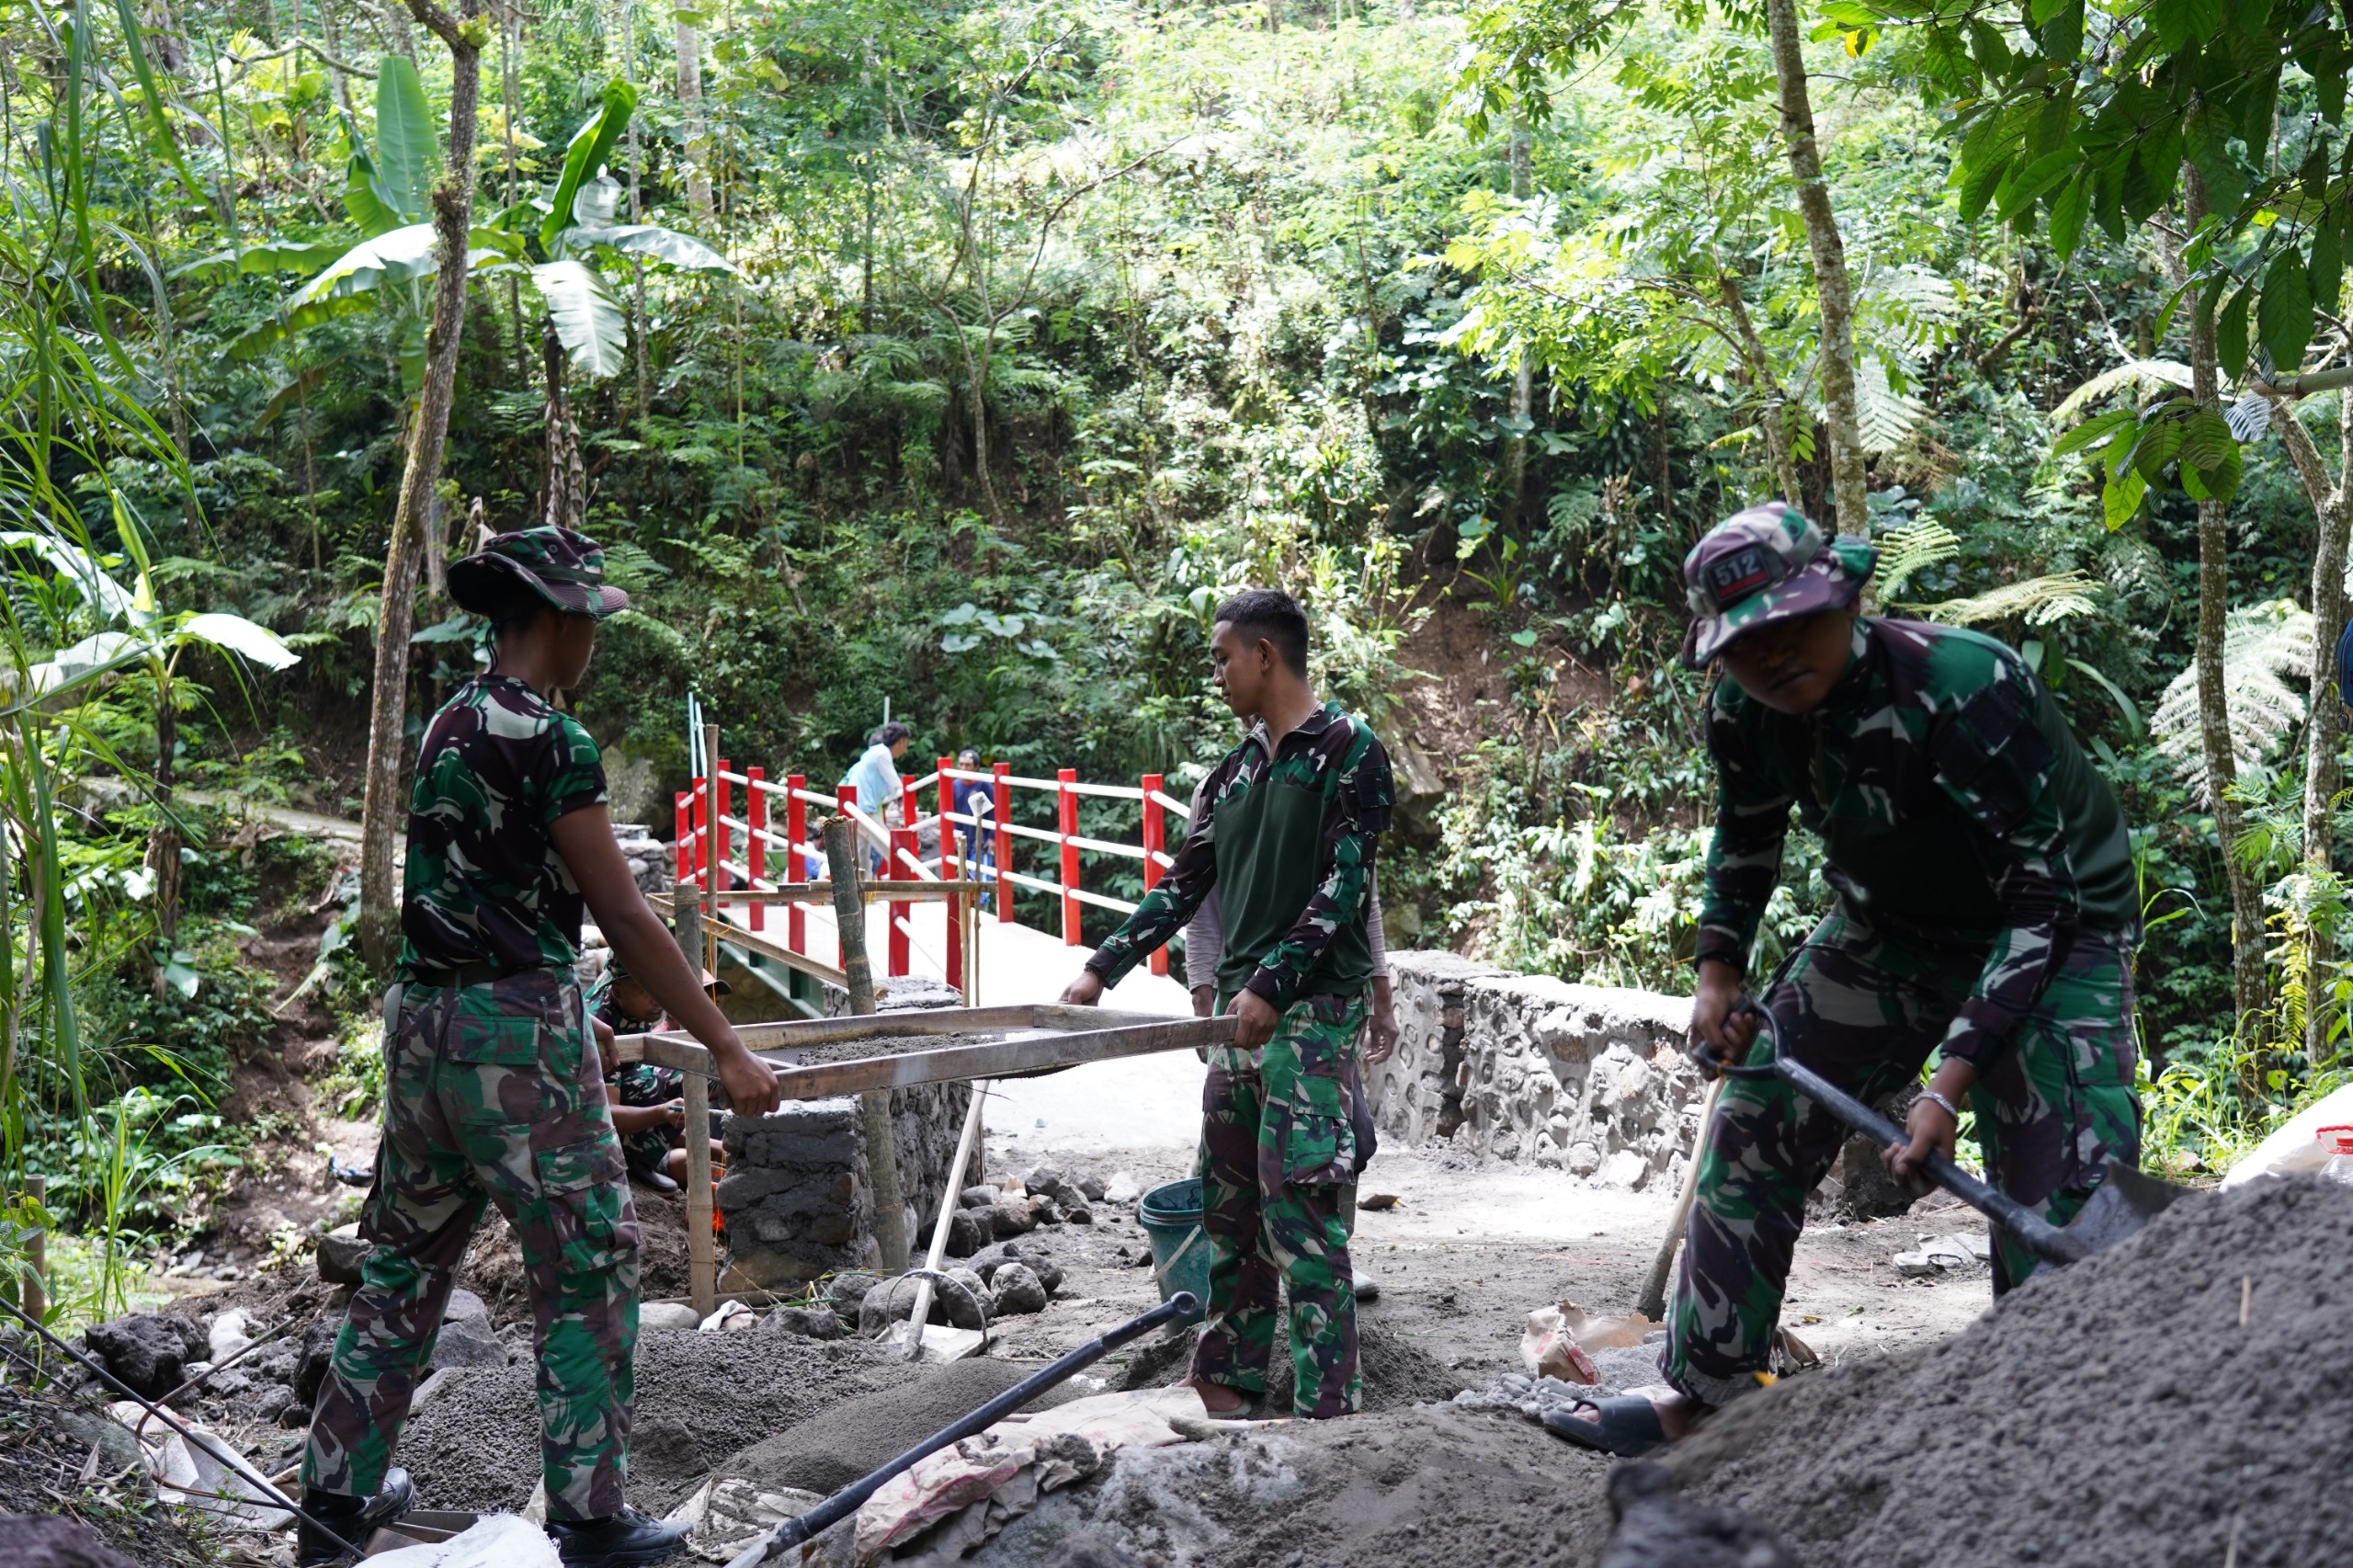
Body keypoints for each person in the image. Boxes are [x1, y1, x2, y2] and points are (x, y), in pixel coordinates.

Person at [1549, 503, 2141, 1458]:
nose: (1775, 657)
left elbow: (2043, 903)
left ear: (1848, 598)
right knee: (1751, 1117)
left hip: (2055, 928)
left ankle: (2060, 1427)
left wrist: (1947, 1083)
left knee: (2060, 1196)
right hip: (1885, 925)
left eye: (1794, 624)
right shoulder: (1744, 713)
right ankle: (1707, 1397)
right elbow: (1746, 836)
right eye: (1747, 644)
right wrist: (1717, 975)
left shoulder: (1965, 684)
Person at [299, 526, 782, 1568]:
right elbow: (624, 910)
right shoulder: (553, 739)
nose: (593, 640)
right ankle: (592, 1518)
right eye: (589, 622)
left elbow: (469, 894)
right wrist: (728, 1045)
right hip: (513, 1034)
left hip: (423, 1028)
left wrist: (577, 1018)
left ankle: (334, 1500)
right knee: (589, 1256)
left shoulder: (448, 723)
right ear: (557, 621)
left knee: (403, 1262)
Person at [1061, 588, 1394, 1419]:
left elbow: (1345, 891)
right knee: (1229, 1212)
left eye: (1221, 658)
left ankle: (1330, 1410)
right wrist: (1103, 967)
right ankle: (1231, 1380)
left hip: (1309, 1017)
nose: (1216, 674)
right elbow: (1185, 884)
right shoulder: (1237, 773)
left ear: (1265, 656)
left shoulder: (1352, 753)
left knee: (1305, 1220)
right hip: (1236, 1028)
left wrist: (1272, 987)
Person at [1183, 759, 1397, 1302]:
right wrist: (1203, 993)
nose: (1218, 678)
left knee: (1345, 1138)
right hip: (1244, 1002)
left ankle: (1327, 1257)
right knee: (1237, 1146)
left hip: (1319, 1004)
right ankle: (1247, 1280)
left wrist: (1380, 993)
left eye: (1223, 664)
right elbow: (1199, 905)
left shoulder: (1334, 782)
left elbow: (1358, 899)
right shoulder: (1221, 789)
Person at [587, 956, 731, 1193]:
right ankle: (633, 1159)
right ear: (618, 992)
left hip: (624, 1093)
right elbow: (602, 1115)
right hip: (583, 1128)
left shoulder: (633, 1002)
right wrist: (661, 1113)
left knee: (691, 1075)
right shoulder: (602, 1029)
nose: (657, 999)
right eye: (645, 990)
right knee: (659, 1080)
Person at [842, 721, 912, 874]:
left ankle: (861, 895)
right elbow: (895, 783)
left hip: (857, 807)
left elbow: (887, 788)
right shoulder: (882, 754)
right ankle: (906, 886)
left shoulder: (872, 753)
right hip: (864, 810)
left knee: (861, 856)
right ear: (901, 742)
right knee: (891, 849)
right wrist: (903, 795)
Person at [949, 747, 997, 905]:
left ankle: (980, 909)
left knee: (980, 878)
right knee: (964, 875)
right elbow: (951, 812)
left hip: (980, 839)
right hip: (962, 837)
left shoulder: (983, 785)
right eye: (961, 764)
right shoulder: (955, 785)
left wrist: (992, 837)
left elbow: (993, 813)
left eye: (968, 765)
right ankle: (968, 909)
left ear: (976, 767)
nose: (963, 768)